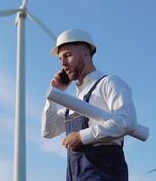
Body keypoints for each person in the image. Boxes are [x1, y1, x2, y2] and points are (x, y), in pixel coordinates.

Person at [41, 29, 137, 181]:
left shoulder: (109, 83)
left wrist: (81, 136)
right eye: (60, 59)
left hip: (105, 173)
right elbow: (48, 131)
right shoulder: (72, 101)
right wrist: (54, 94)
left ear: (86, 54)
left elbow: (126, 121)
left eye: (68, 55)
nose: (63, 64)